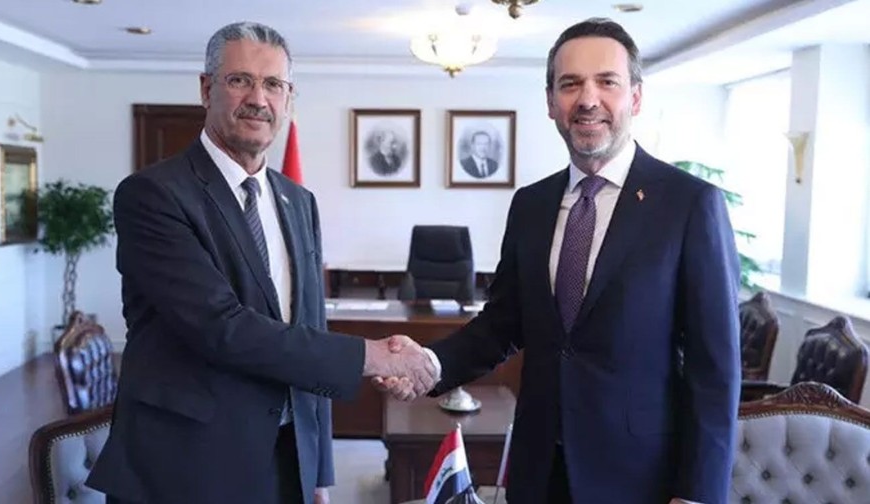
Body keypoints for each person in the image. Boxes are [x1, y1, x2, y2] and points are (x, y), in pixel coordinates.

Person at [380, 17, 741, 504]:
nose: (588, 99)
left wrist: (698, 494)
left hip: (640, 479)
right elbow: (503, 324)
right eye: (570, 84)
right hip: (538, 472)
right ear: (551, 102)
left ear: (635, 97)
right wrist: (430, 363)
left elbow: (714, 369)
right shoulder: (531, 205)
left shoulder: (689, 205)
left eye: (607, 82)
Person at [86, 22, 435, 504]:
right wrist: (372, 356)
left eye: (273, 84)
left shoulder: (299, 201)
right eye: (240, 80)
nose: (258, 98)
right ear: (206, 89)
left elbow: (309, 323)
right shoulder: (153, 195)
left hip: (286, 458)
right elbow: (221, 327)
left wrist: (318, 470)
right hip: (185, 466)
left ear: (288, 98)